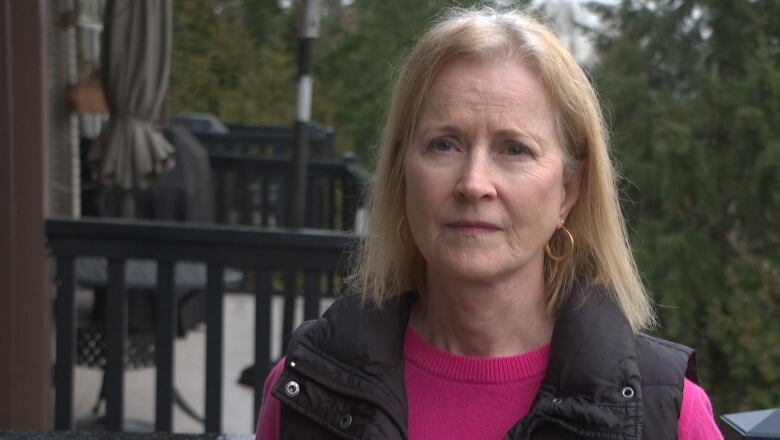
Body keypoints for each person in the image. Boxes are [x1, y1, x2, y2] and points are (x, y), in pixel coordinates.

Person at [256, 7, 723, 439]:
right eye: (445, 144)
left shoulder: (668, 414)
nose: (474, 183)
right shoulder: (308, 392)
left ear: (569, 191)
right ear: (401, 174)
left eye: (514, 149)